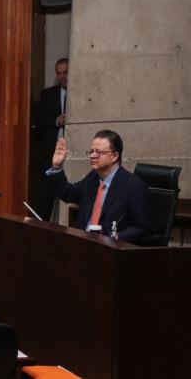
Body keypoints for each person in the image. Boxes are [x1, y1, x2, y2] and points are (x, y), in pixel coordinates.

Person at [46, 130, 151, 243]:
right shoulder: (93, 178)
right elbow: (69, 194)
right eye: (91, 151)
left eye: (98, 152)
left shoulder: (132, 185)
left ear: (115, 156)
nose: (93, 156)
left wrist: (112, 239)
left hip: (112, 250)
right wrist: (57, 167)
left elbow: (142, 227)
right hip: (83, 243)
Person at [32, 58, 69, 219]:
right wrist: (56, 121)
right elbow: (38, 120)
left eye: (65, 73)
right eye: (59, 73)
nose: (62, 77)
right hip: (50, 153)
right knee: (45, 198)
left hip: (73, 153)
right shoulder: (48, 94)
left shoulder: (81, 93)